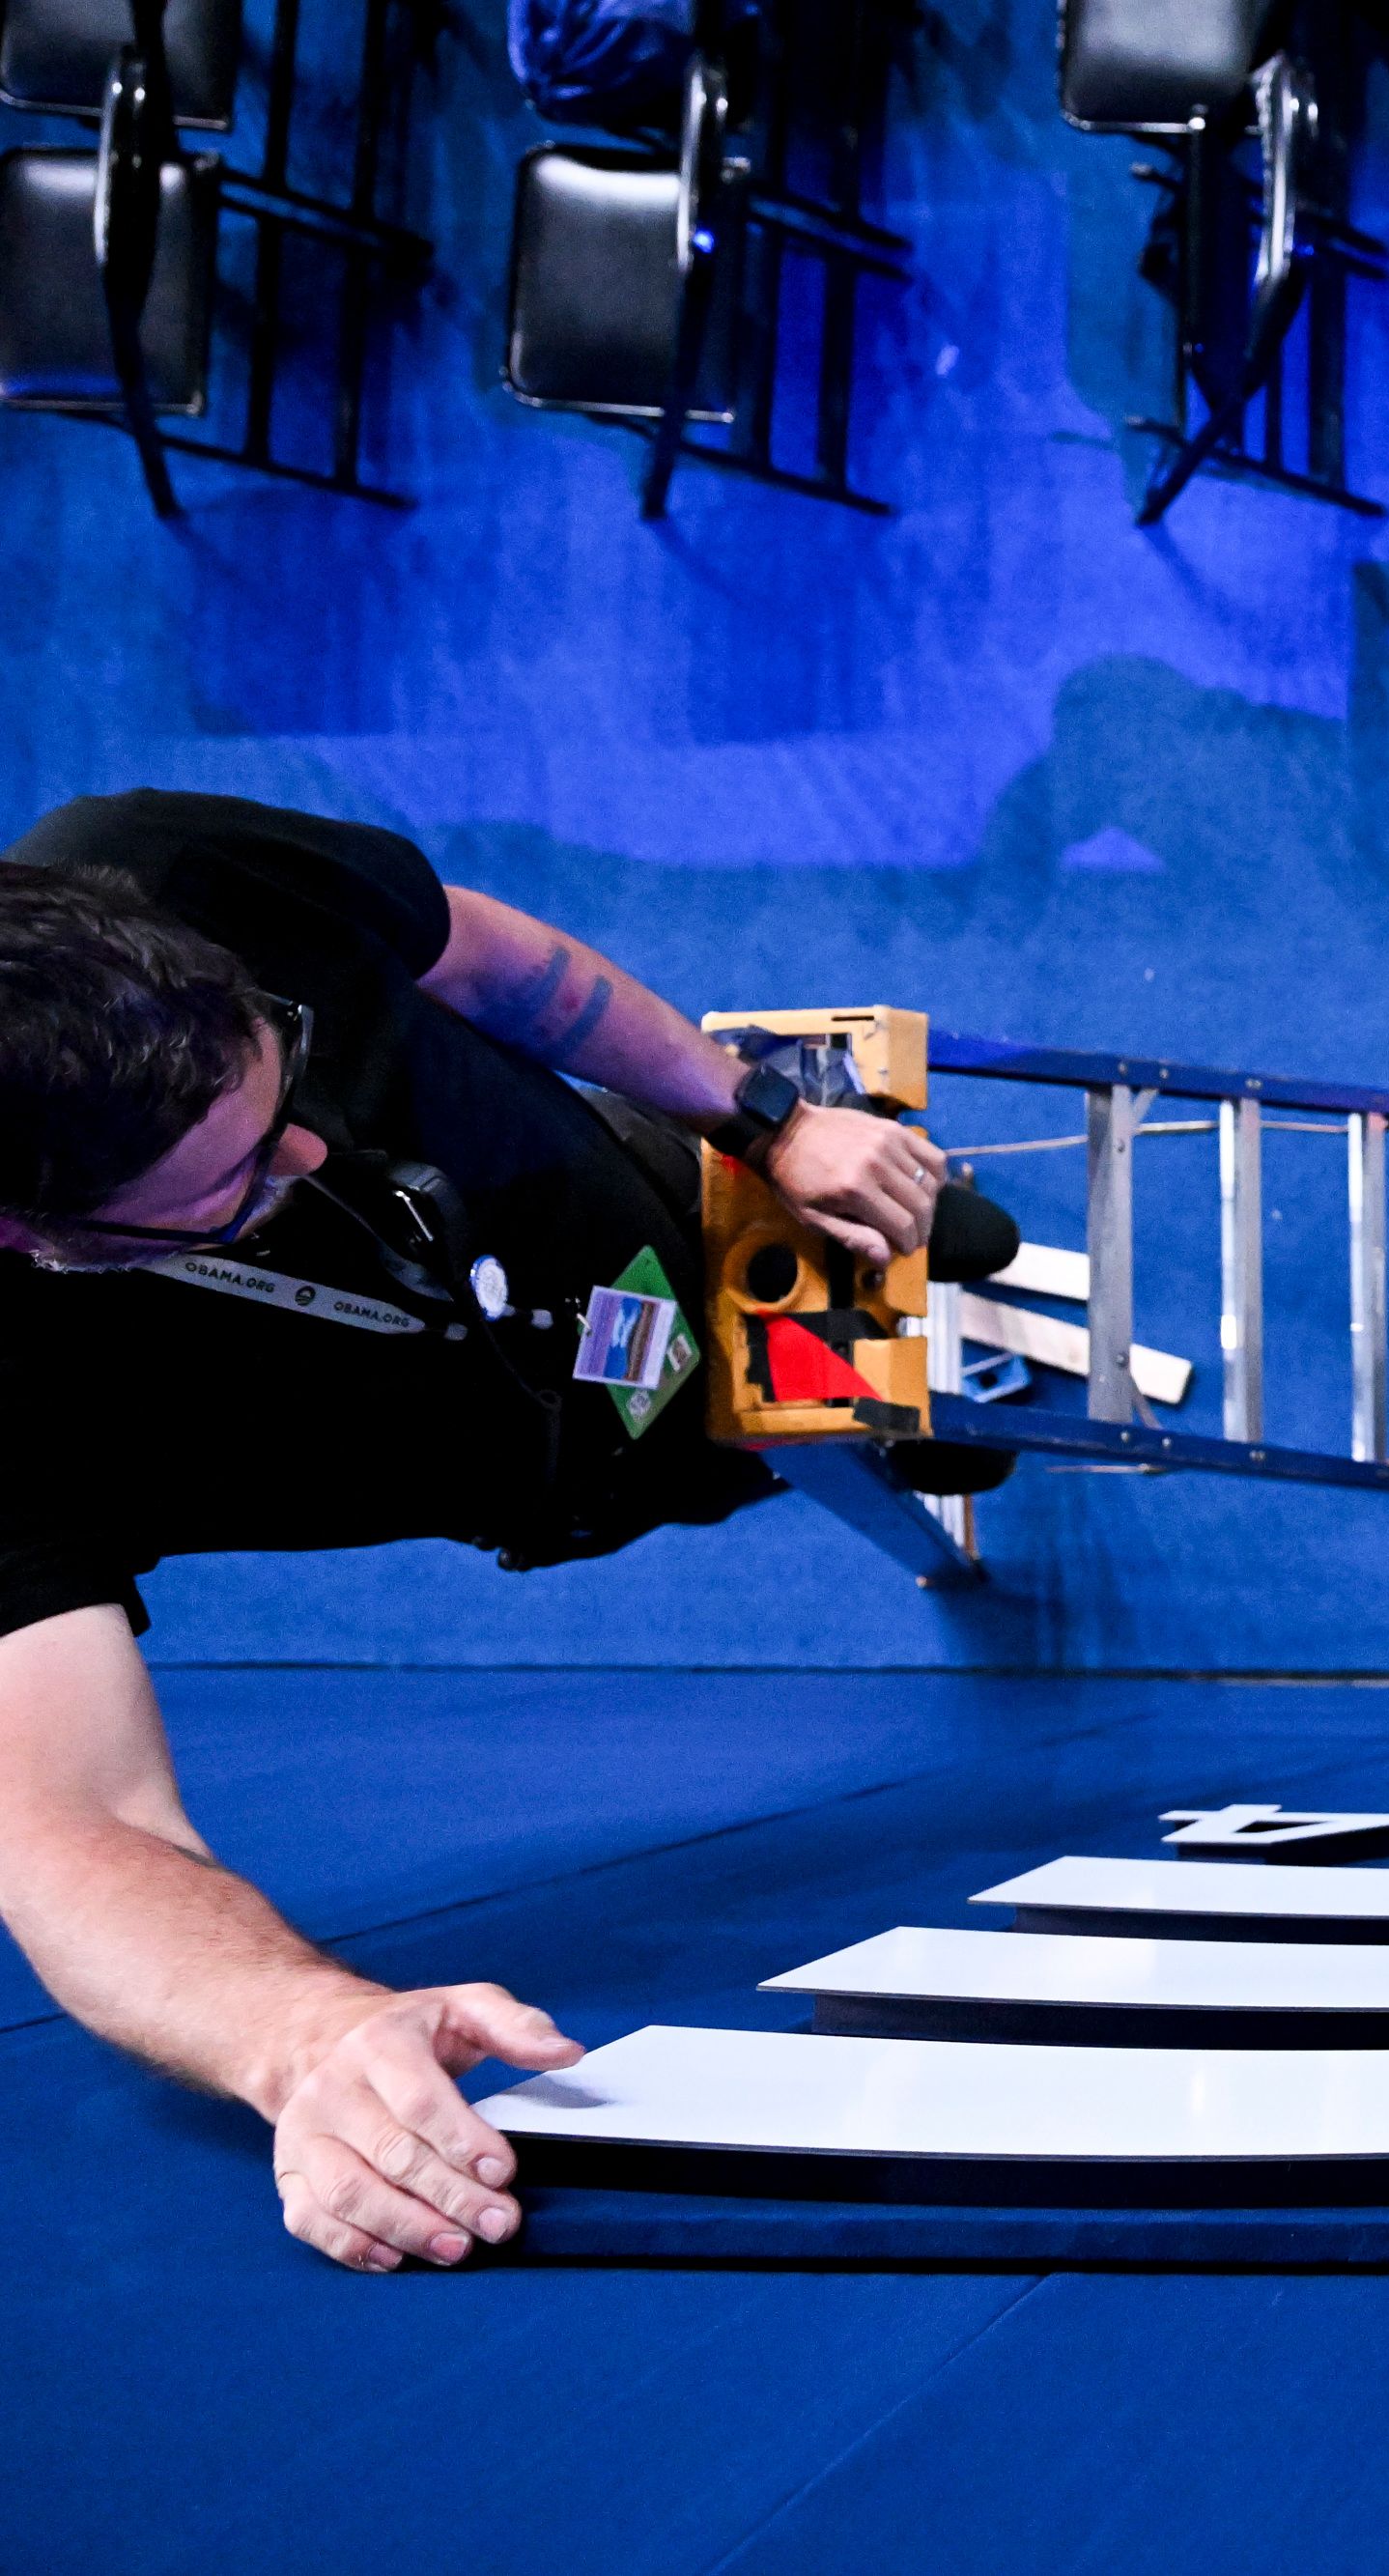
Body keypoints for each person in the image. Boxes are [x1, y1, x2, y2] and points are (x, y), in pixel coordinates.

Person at [0, 790, 1009, 2278]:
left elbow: (485, 959)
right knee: (770, 1452)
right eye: (224, 1188)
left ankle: (775, 1302)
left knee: (928, 1280)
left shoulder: (168, 867)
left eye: (276, 1070)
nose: (304, 1154)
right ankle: (738, 1444)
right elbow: (71, 1822)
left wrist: (765, 1119)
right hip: (537, 1460)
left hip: (607, 1202)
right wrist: (302, 2032)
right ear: (36, 1238)